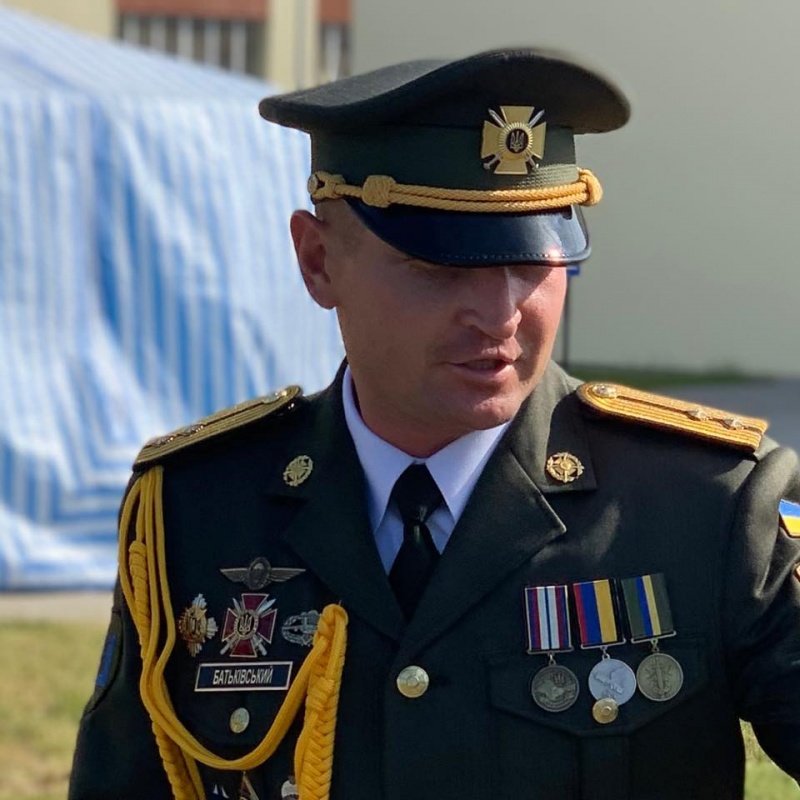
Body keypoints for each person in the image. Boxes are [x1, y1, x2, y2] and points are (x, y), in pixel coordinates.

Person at [69, 48, 800, 800]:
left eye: (532, 264)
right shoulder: (194, 508)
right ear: (318, 261)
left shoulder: (711, 503)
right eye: (442, 270)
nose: (500, 315)